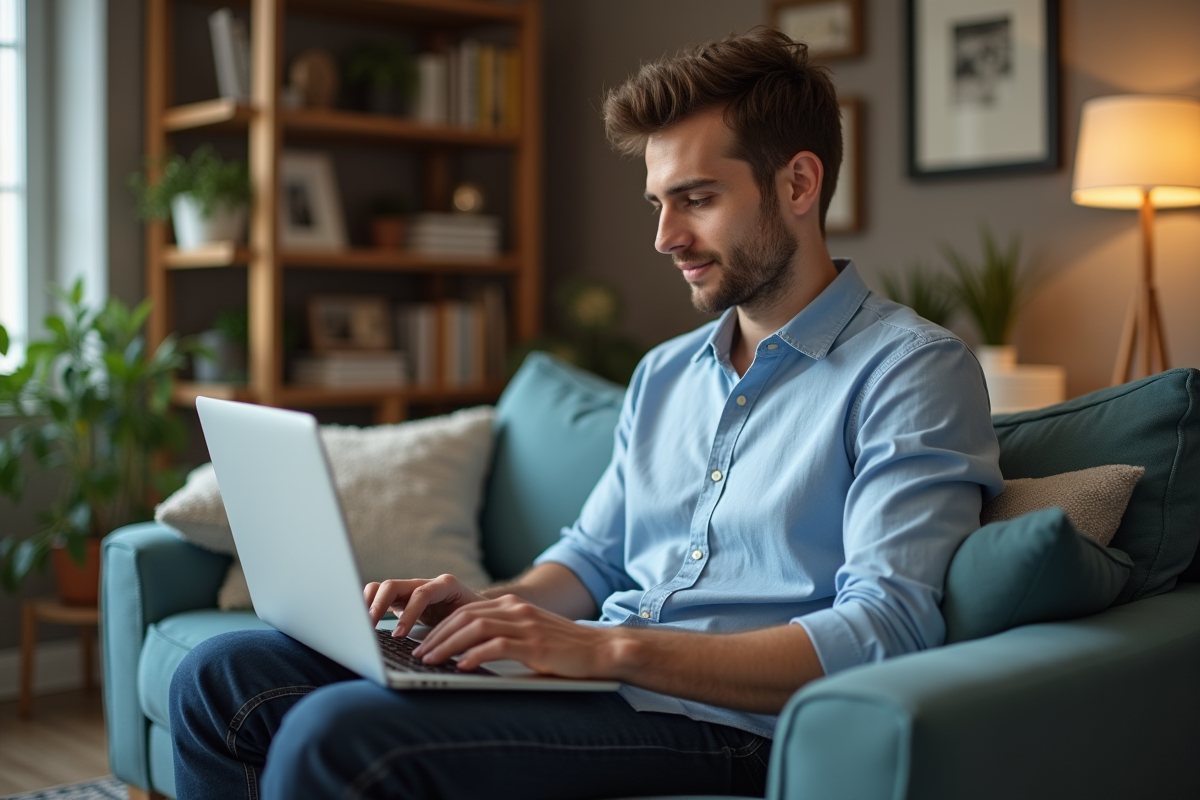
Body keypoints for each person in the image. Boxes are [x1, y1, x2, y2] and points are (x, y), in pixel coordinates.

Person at [170, 27, 1003, 800]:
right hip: (605, 681)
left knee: (338, 735)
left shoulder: (910, 370)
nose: (665, 236)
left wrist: (605, 647)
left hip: (729, 724)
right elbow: (594, 558)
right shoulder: (665, 374)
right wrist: (489, 609)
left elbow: (886, 628)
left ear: (798, 183)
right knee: (219, 678)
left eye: (696, 199)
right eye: (658, 203)